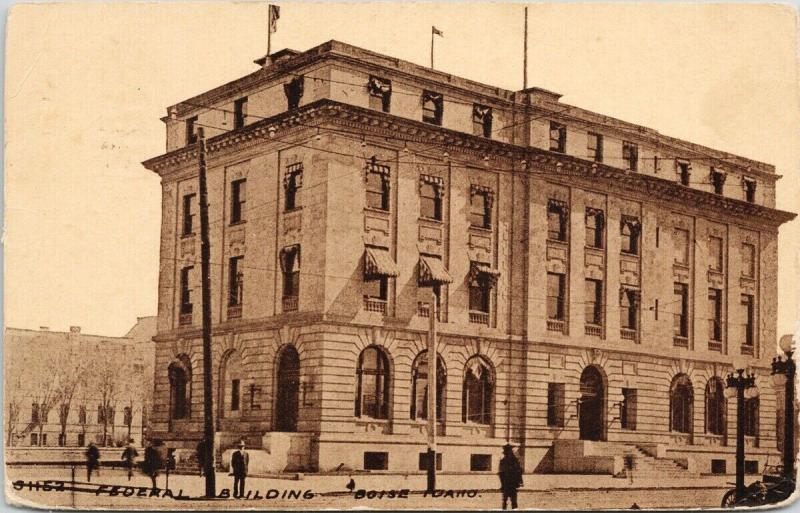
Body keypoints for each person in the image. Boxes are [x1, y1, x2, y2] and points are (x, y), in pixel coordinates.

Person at [498, 443, 523, 510]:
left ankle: (505, 508)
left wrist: (502, 484)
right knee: (513, 499)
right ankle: (511, 508)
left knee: (506, 499)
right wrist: (520, 481)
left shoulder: (504, 460)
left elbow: (501, 473)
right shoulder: (514, 460)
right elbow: (519, 471)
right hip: (512, 482)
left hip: (507, 482)